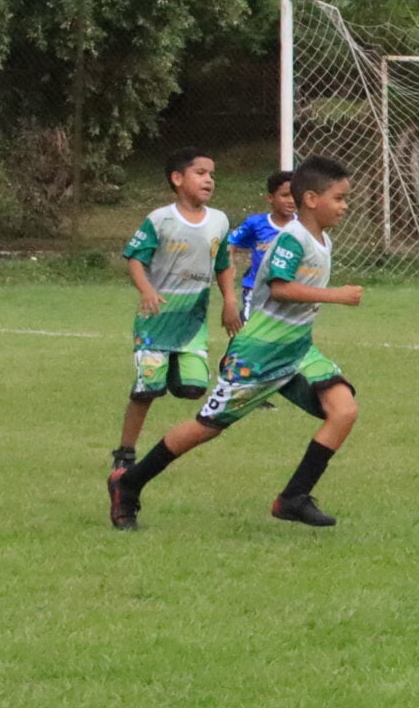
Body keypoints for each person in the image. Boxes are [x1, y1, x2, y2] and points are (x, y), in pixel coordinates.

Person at [107, 156, 364, 530]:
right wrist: (335, 295)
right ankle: (128, 484)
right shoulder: (292, 238)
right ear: (311, 199)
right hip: (258, 354)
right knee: (205, 427)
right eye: (339, 198)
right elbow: (279, 288)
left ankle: (293, 497)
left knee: (344, 410)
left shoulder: (321, 238)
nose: (345, 206)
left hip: (297, 348)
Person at [112, 149, 238, 488]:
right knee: (146, 391)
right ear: (177, 179)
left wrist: (230, 299)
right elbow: (135, 259)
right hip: (155, 319)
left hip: (191, 323)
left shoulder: (220, 221)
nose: (209, 179)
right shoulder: (160, 219)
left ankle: (169, 372)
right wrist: (147, 290)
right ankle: (125, 451)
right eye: (200, 172)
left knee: (193, 388)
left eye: (212, 174)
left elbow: (223, 264)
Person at [227, 168, 297, 297]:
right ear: (271, 198)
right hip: (255, 290)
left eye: (294, 195)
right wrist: (230, 263)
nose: (291, 200)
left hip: (289, 292)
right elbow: (230, 240)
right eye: (285, 195)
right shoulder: (256, 223)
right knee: (250, 318)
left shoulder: (303, 226)